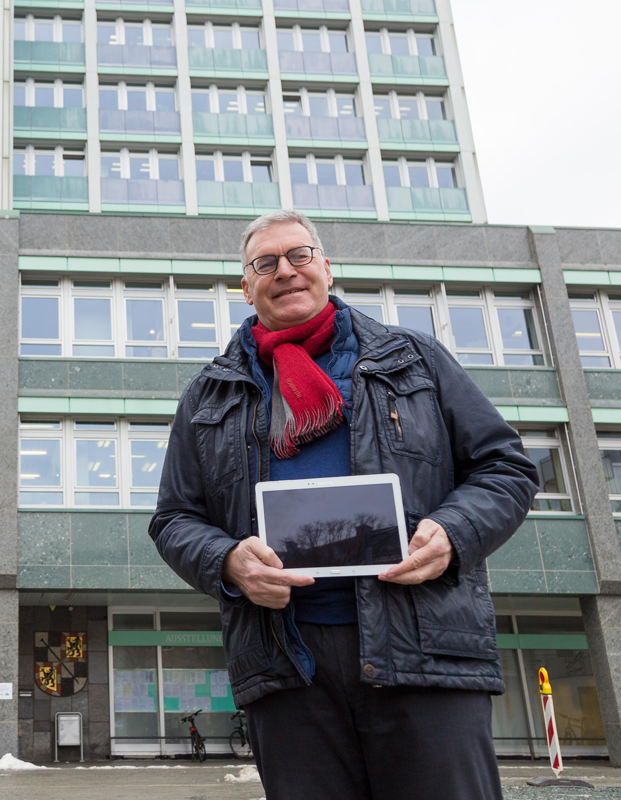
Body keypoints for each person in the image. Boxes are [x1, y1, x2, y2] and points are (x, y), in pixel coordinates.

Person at [150, 210, 538, 800]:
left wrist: (454, 532)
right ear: (246, 285)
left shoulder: (416, 359)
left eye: (300, 255)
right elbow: (174, 518)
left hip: (423, 651)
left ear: (327, 268)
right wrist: (228, 560)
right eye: (265, 263)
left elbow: (506, 466)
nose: (285, 271)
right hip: (288, 664)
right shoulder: (208, 394)